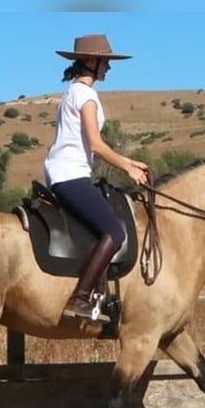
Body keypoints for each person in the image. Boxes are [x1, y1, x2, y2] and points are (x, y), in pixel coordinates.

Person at [44, 34, 149, 322]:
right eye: (106, 62)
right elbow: (96, 144)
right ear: (91, 61)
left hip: (63, 173)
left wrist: (130, 161)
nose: (108, 68)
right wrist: (127, 169)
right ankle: (80, 298)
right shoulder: (87, 96)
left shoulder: (71, 92)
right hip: (71, 175)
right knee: (115, 232)